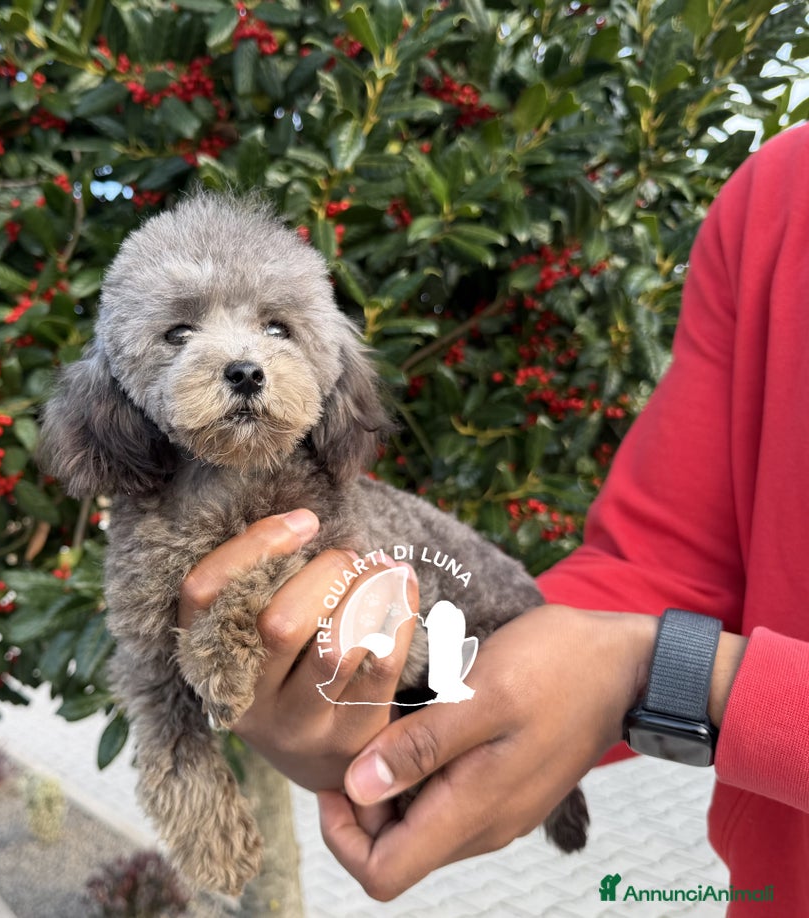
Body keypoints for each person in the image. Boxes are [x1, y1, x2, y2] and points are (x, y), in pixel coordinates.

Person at [176, 120, 809, 912]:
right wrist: (432, 699)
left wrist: (679, 675)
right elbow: (665, 568)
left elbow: (632, 645)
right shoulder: (781, 190)